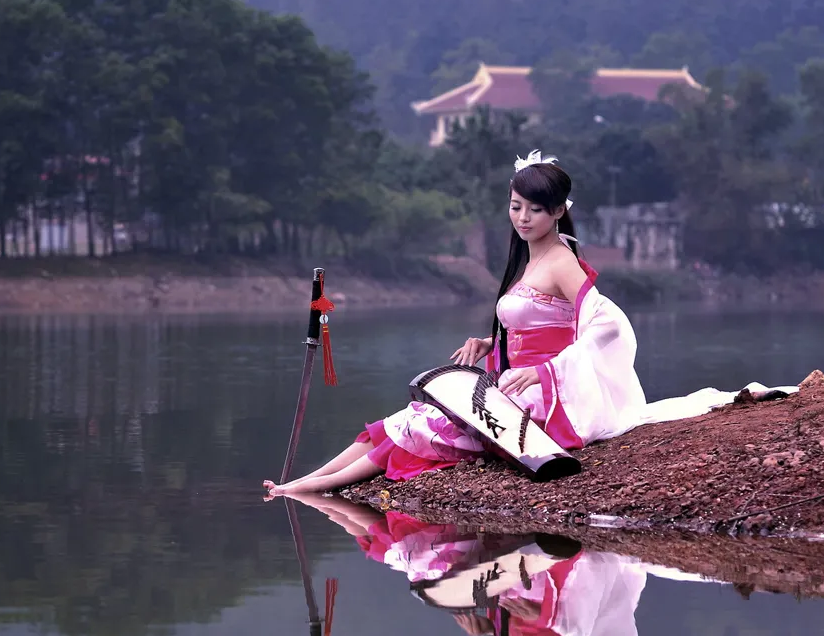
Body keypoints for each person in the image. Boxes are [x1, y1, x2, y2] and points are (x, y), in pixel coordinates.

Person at [265, 151, 646, 497]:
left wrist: (544, 372)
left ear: (559, 211)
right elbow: (545, 325)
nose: (523, 218)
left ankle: (307, 489)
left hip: (542, 396)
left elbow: (606, 327)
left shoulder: (562, 262)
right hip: (517, 384)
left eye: (536, 210)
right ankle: (305, 481)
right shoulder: (532, 259)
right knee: (403, 418)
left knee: (422, 426)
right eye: (516, 207)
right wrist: (490, 344)